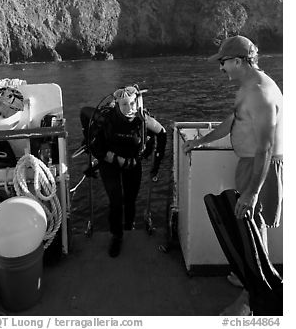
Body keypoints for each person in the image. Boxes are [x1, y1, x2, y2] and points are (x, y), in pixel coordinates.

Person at [183, 35, 283, 316]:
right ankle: (247, 279)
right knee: (251, 227)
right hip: (249, 164)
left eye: (223, 63)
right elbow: (232, 121)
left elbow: (265, 148)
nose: (221, 68)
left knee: (254, 227)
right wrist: (200, 141)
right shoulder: (247, 87)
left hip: (259, 168)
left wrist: (251, 193)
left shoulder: (260, 93)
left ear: (238, 61)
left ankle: (251, 301)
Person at [80, 85, 167, 257]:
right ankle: (117, 236)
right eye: (125, 105)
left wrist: (156, 165)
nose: (130, 109)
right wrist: (113, 158)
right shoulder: (107, 118)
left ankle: (129, 227)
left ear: (138, 102)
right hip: (109, 162)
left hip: (133, 162)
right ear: (117, 104)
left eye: (133, 104)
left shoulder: (143, 120)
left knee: (130, 200)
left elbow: (162, 133)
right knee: (116, 201)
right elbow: (85, 116)